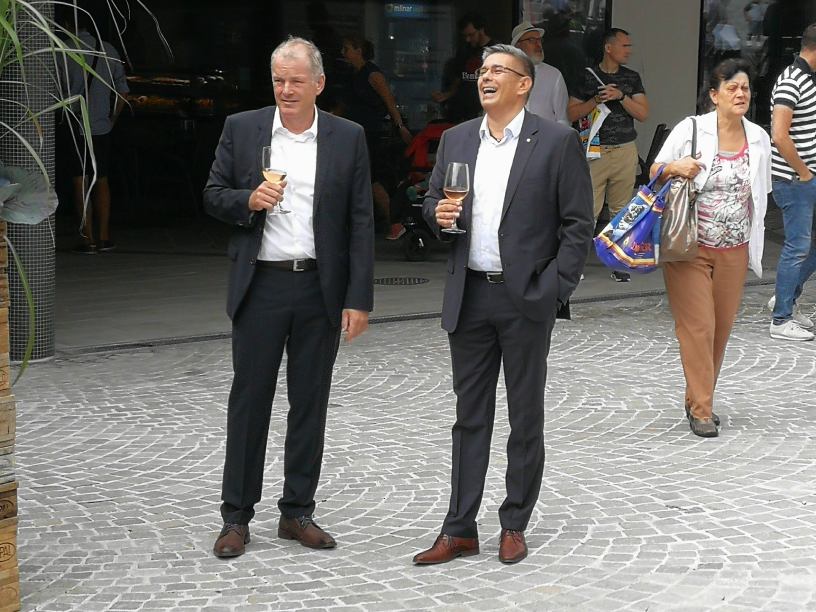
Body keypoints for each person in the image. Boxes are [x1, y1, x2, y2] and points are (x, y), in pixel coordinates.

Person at [413, 44, 593, 565]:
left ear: (524, 84)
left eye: (498, 71)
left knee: (525, 415)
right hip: (468, 295)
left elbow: (577, 223)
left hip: (526, 298)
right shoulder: (456, 139)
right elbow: (433, 201)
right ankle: (459, 528)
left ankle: (514, 522)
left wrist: (555, 287)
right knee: (469, 417)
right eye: (483, 71)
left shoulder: (555, 141)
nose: (486, 78)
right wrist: (438, 216)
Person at [203, 37, 374, 558]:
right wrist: (247, 200)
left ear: (318, 83)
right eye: (279, 80)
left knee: (310, 403)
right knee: (249, 401)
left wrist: (358, 298)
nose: (286, 89)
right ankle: (236, 517)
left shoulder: (347, 136)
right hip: (262, 284)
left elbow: (360, 220)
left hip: (320, 286)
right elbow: (212, 195)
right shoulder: (243, 128)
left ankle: (297, 511)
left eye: (297, 81)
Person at [651, 58, 772, 438]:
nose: (740, 94)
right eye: (732, 88)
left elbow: (760, 193)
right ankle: (703, 410)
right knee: (698, 326)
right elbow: (655, 171)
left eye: (745, 88)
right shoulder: (691, 129)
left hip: (735, 248)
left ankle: (696, 396)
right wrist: (676, 168)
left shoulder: (759, 138)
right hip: (689, 245)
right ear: (714, 95)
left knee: (719, 329)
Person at [568, 28, 649, 282]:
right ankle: (575, 265)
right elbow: (571, 113)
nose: (629, 50)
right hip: (594, 152)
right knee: (587, 210)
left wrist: (621, 96)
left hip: (625, 149)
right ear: (608, 47)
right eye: (624, 45)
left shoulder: (631, 77)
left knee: (621, 210)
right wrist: (596, 99)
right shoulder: (586, 76)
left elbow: (643, 113)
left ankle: (618, 263)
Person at [60, 11, 128, 254]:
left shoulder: (62, 50)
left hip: (75, 125)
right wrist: (111, 119)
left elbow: (52, 89)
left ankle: (87, 238)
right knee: (102, 178)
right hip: (102, 127)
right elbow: (123, 91)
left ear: (67, 24)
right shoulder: (108, 50)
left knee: (80, 179)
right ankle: (105, 237)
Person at [768, 23, 816, 342]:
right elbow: (779, 135)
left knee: (808, 246)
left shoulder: (808, 79)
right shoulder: (791, 81)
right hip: (795, 179)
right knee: (797, 247)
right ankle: (781, 319)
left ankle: (785, 297)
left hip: (805, 177)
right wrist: (804, 172)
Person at [340, 34, 412, 240]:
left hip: (372, 133)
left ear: (358, 51)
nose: (343, 53)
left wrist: (400, 126)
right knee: (359, 178)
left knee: (371, 179)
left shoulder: (372, 75)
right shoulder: (352, 75)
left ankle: (394, 222)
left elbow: (389, 101)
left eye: (347, 49)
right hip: (356, 133)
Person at [432, 12, 497, 123]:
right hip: (462, 113)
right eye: (465, 36)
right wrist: (446, 95)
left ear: (481, 30)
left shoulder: (497, 51)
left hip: (485, 113)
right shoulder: (464, 51)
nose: (468, 39)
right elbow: (459, 79)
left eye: (471, 35)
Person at [511, 21, 569, 126]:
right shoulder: (505, 74)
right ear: (518, 46)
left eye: (539, 40)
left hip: (545, 135)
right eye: (532, 40)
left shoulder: (553, 75)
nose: (538, 45)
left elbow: (563, 118)